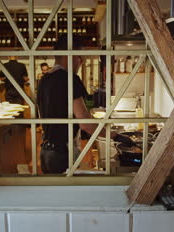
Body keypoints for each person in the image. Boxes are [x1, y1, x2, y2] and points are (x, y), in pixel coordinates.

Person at [37, 36, 134, 174]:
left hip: (46, 152)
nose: (81, 62)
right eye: (79, 57)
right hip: (62, 153)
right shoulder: (69, 79)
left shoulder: (44, 80)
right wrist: (114, 136)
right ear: (69, 55)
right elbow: (86, 124)